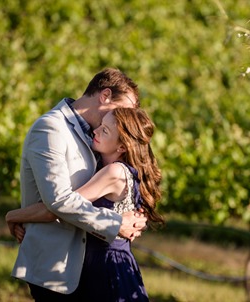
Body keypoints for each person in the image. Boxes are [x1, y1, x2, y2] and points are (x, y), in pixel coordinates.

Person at [8, 68, 148, 301]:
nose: (126, 117)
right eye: (124, 108)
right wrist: (116, 224)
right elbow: (59, 201)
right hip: (56, 269)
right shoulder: (51, 128)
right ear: (105, 96)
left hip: (89, 270)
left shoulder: (97, 137)